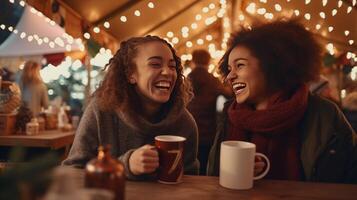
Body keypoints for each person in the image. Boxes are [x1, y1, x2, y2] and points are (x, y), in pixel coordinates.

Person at [207, 19, 357, 183]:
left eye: (240, 65)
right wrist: (233, 173)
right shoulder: (230, 115)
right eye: (228, 69)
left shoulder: (324, 114)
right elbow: (213, 177)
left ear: (272, 65)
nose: (230, 76)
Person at [63, 35, 199, 180]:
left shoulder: (184, 122)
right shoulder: (101, 110)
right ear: (130, 74)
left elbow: (191, 177)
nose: (168, 72)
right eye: (155, 64)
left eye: (172, 66)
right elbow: (72, 172)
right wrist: (125, 165)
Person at [187, 49, 232, 175]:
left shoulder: (187, 78)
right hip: (208, 131)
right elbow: (229, 96)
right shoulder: (213, 80)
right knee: (203, 167)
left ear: (193, 61)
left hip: (187, 128)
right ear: (208, 61)